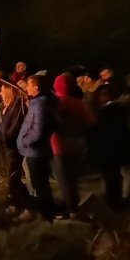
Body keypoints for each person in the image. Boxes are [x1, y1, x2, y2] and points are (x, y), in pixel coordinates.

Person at [50, 73, 95, 219]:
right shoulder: (79, 103)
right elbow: (92, 122)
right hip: (77, 146)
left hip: (59, 147)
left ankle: (70, 211)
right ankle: (74, 208)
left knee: (63, 181)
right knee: (72, 180)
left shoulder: (55, 103)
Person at [89, 85, 130, 209]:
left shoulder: (106, 112)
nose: (102, 97)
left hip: (108, 151)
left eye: (104, 94)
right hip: (117, 150)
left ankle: (114, 204)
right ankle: (117, 201)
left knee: (111, 179)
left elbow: (100, 133)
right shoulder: (120, 110)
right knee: (115, 178)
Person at [16, 75, 56, 222]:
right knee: (41, 184)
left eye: (29, 85)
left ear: (36, 87)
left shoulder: (40, 105)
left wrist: (24, 142)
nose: (26, 87)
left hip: (36, 150)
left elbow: (38, 130)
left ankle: (46, 216)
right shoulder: (38, 103)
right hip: (36, 150)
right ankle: (46, 214)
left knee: (40, 184)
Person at [0, 83, 30, 214]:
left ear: (9, 92)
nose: (0, 94)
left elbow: (13, 131)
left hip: (14, 147)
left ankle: (29, 206)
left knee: (14, 178)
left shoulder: (18, 109)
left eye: (2, 91)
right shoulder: (3, 107)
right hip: (3, 147)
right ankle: (16, 204)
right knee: (10, 178)